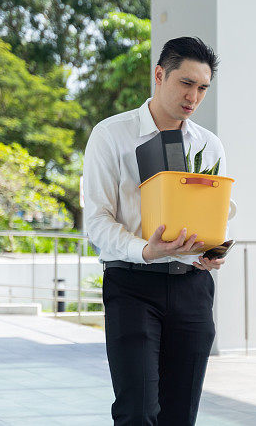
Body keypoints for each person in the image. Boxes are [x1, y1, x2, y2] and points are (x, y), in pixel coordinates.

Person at [83, 36, 230, 425]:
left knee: (180, 415)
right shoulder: (111, 135)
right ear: (160, 74)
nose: (193, 97)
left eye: (202, 88)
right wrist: (145, 251)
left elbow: (213, 210)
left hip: (192, 287)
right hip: (132, 286)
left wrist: (209, 247)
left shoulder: (209, 145)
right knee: (138, 412)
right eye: (186, 83)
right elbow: (96, 220)